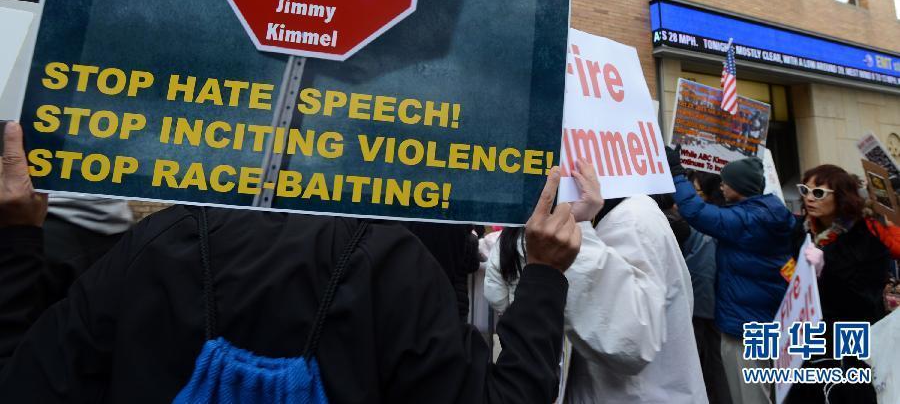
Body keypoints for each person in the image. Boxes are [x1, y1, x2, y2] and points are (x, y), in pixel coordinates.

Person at [0, 121, 582, 403]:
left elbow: (23, 384)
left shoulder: (158, 240)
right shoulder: (394, 266)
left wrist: (18, 241)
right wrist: (547, 275)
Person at [485, 159, 708, 403]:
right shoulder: (562, 221)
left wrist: (575, 236)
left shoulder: (632, 216)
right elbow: (503, 300)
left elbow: (628, 340)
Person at [668, 148, 795, 404]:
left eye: (727, 181)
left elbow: (696, 213)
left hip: (744, 327)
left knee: (750, 397)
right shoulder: (767, 211)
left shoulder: (750, 219)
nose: (722, 186)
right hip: (760, 319)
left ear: (742, 186)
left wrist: (677, 174)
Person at [785, 164, 896, 404]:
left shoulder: (867, 235)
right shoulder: (803, 230)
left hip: (851, 341)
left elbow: (865, 298)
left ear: (842, 196)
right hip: (812, 337)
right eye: (805, 189)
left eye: (818, 193)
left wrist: (828, 268)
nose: (808, 198)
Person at [662, 178, 732, 404]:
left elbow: (703, 268)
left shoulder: (701, 222)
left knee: (701, 362)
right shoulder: (721, 220)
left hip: (700, 304)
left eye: (696, 189)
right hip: (714, 304)